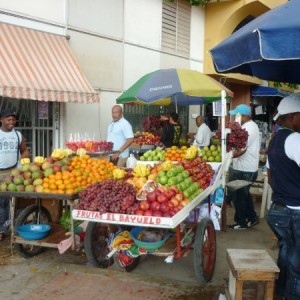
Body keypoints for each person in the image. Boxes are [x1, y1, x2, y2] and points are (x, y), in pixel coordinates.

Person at [266, 94, 300, 299]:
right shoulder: (295, 139)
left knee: (287, 251)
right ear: (294, 116)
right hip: (296, 211)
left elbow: (270, 177)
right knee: (297, 261)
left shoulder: (275, 139)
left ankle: (281, 291)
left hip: (278, 210)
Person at [227, 104, 260, 229]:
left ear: (243, 116)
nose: (235, 116)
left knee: (239, 198)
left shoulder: (248, 128)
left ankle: (241, 223)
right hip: (246, 168)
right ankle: (252, 218)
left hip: (245, 170)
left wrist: (228, 157)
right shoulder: (249, 126)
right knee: (244, 196)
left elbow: (242, 150)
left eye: (237, 114)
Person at [0, 108, 30, 241]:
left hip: (12, 172)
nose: (11, 121)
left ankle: (5, 228)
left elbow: (25, 151)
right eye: (8, 119)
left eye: (13, 119)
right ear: (1, 120)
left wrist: (21, 159)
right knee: (2, 202)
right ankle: (2, 228)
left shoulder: (18, 135)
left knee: (9, 201)